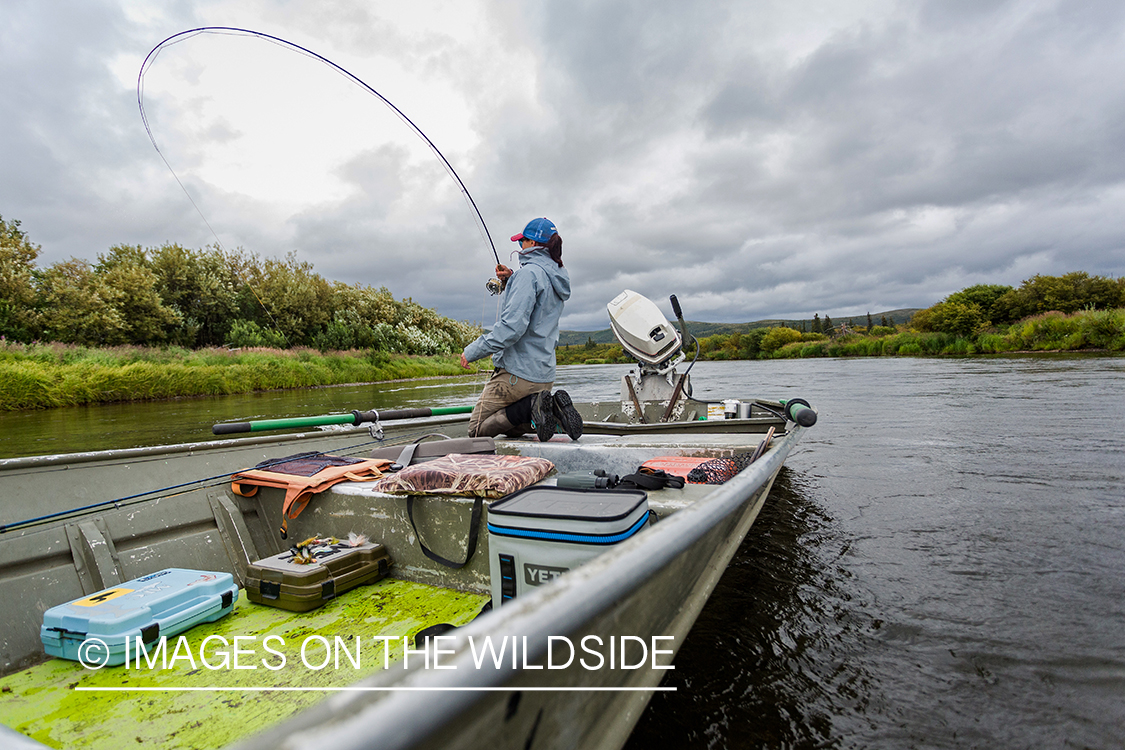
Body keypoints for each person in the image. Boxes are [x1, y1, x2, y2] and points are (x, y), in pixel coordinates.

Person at [460, 217, 583, 441]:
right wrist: (511, 280)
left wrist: (472, 351)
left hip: (517, 376)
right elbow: (538, 307)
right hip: (544, 376)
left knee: (477, 430)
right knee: (521, 416)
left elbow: (511, 328)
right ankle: (553, 411)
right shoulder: (555, 276)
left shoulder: (528, 275)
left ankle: (530, 408)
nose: (520, 247)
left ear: (533, 244)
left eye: (522, 242)